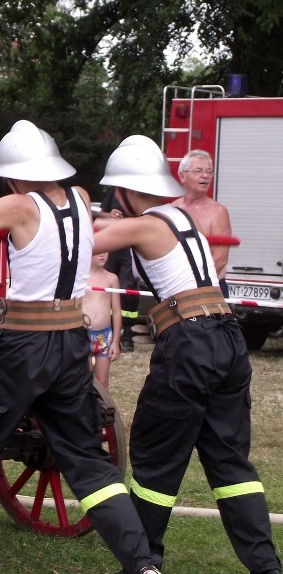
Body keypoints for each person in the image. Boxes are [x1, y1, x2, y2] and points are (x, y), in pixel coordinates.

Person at [0, 120, 158, 574]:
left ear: (14, 174)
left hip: (23, 344)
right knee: (90, 464)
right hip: (71, 341)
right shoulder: (82, 199)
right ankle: (143, 565)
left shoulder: (18, 205)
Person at [93, 135, 281, 574]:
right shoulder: (181, 216)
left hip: (190, 341)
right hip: (227, 337)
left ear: (121, 190)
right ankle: (267, 567)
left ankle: (145, 563)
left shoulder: (145, 223)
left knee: (157, 457)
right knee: (231, 463)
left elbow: (85, 237)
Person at [171, 149, 231, 296]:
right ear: (182, 176)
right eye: (198, 171)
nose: (205, 176)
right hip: (176, 287)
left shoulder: (218, 212)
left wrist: (194, 287)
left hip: (210, 288)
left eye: (209, 172)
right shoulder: (171, 210)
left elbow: (220, 259)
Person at [96, 187, 139, 352]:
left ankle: (127, 333)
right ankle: (109, 330)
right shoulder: (115, 191)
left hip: (131, 246)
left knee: (129, 290)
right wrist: (111, 215)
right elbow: (102, 213)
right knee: (107, 287)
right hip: (112, 247)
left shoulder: (141, 191)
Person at [83, 252, 121, 387]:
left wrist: (116, 342)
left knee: (102, 380)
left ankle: (103, 408)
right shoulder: (80, 277)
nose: (102, 255)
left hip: (104, 336)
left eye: (105, 252)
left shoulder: (111, 278)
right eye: (97, 252)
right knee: (83, 379)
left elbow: (116, 311)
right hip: (83, 335)